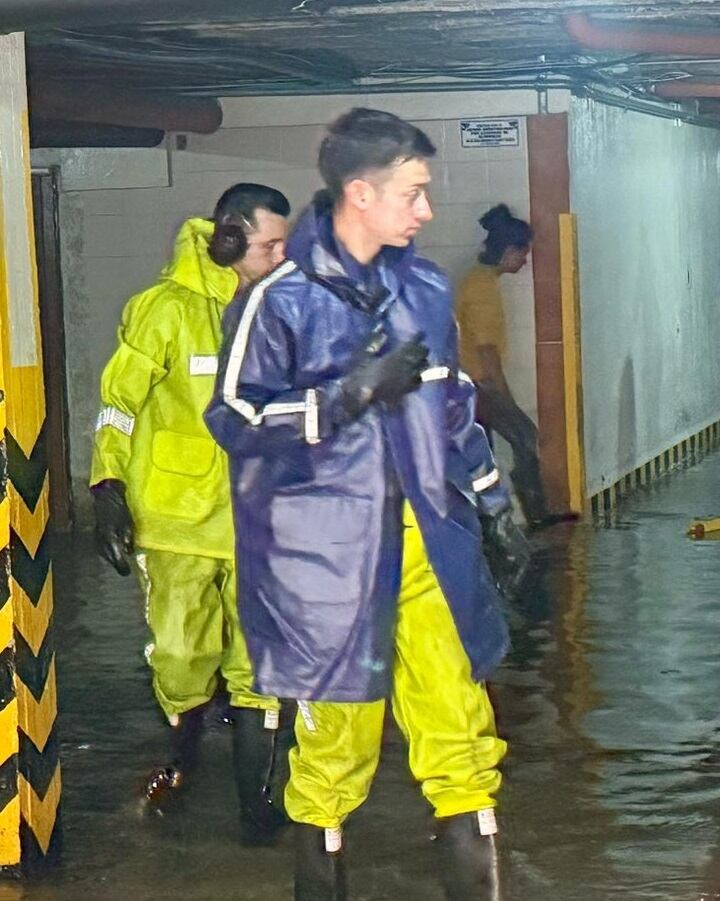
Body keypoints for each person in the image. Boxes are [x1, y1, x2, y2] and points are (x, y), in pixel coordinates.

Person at [205, 108, 528, 901]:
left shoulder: (420, 287)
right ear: (360, 192)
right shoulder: (276, 302)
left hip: (429, 547)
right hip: (326, 564)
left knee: (462, 742)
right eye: (413, 193)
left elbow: (451, 405)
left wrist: (493, 503)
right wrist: (344, 397)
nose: (425, 211)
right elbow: (235, 418)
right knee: (330, 757)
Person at [89, 183, 293, 840]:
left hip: (262, 524)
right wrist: (106, 486)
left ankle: (256, 813)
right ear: (229, 238)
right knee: (180, 659)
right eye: (269, 244)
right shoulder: (164, 311)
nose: (281, 255)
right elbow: (119, 401)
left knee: (263, 665)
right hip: (179, 521)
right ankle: (182, 748)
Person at [455, 204, 551, 526]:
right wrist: (505, 398)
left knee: (489, 451)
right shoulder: (481, 289)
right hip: (481, 385)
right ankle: (535, 519)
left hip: (473, 385)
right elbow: (486, 352)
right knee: (525, 435)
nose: (524, 262)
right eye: (522, 255)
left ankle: (495, 522)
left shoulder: (481, 281)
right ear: (509, 251)